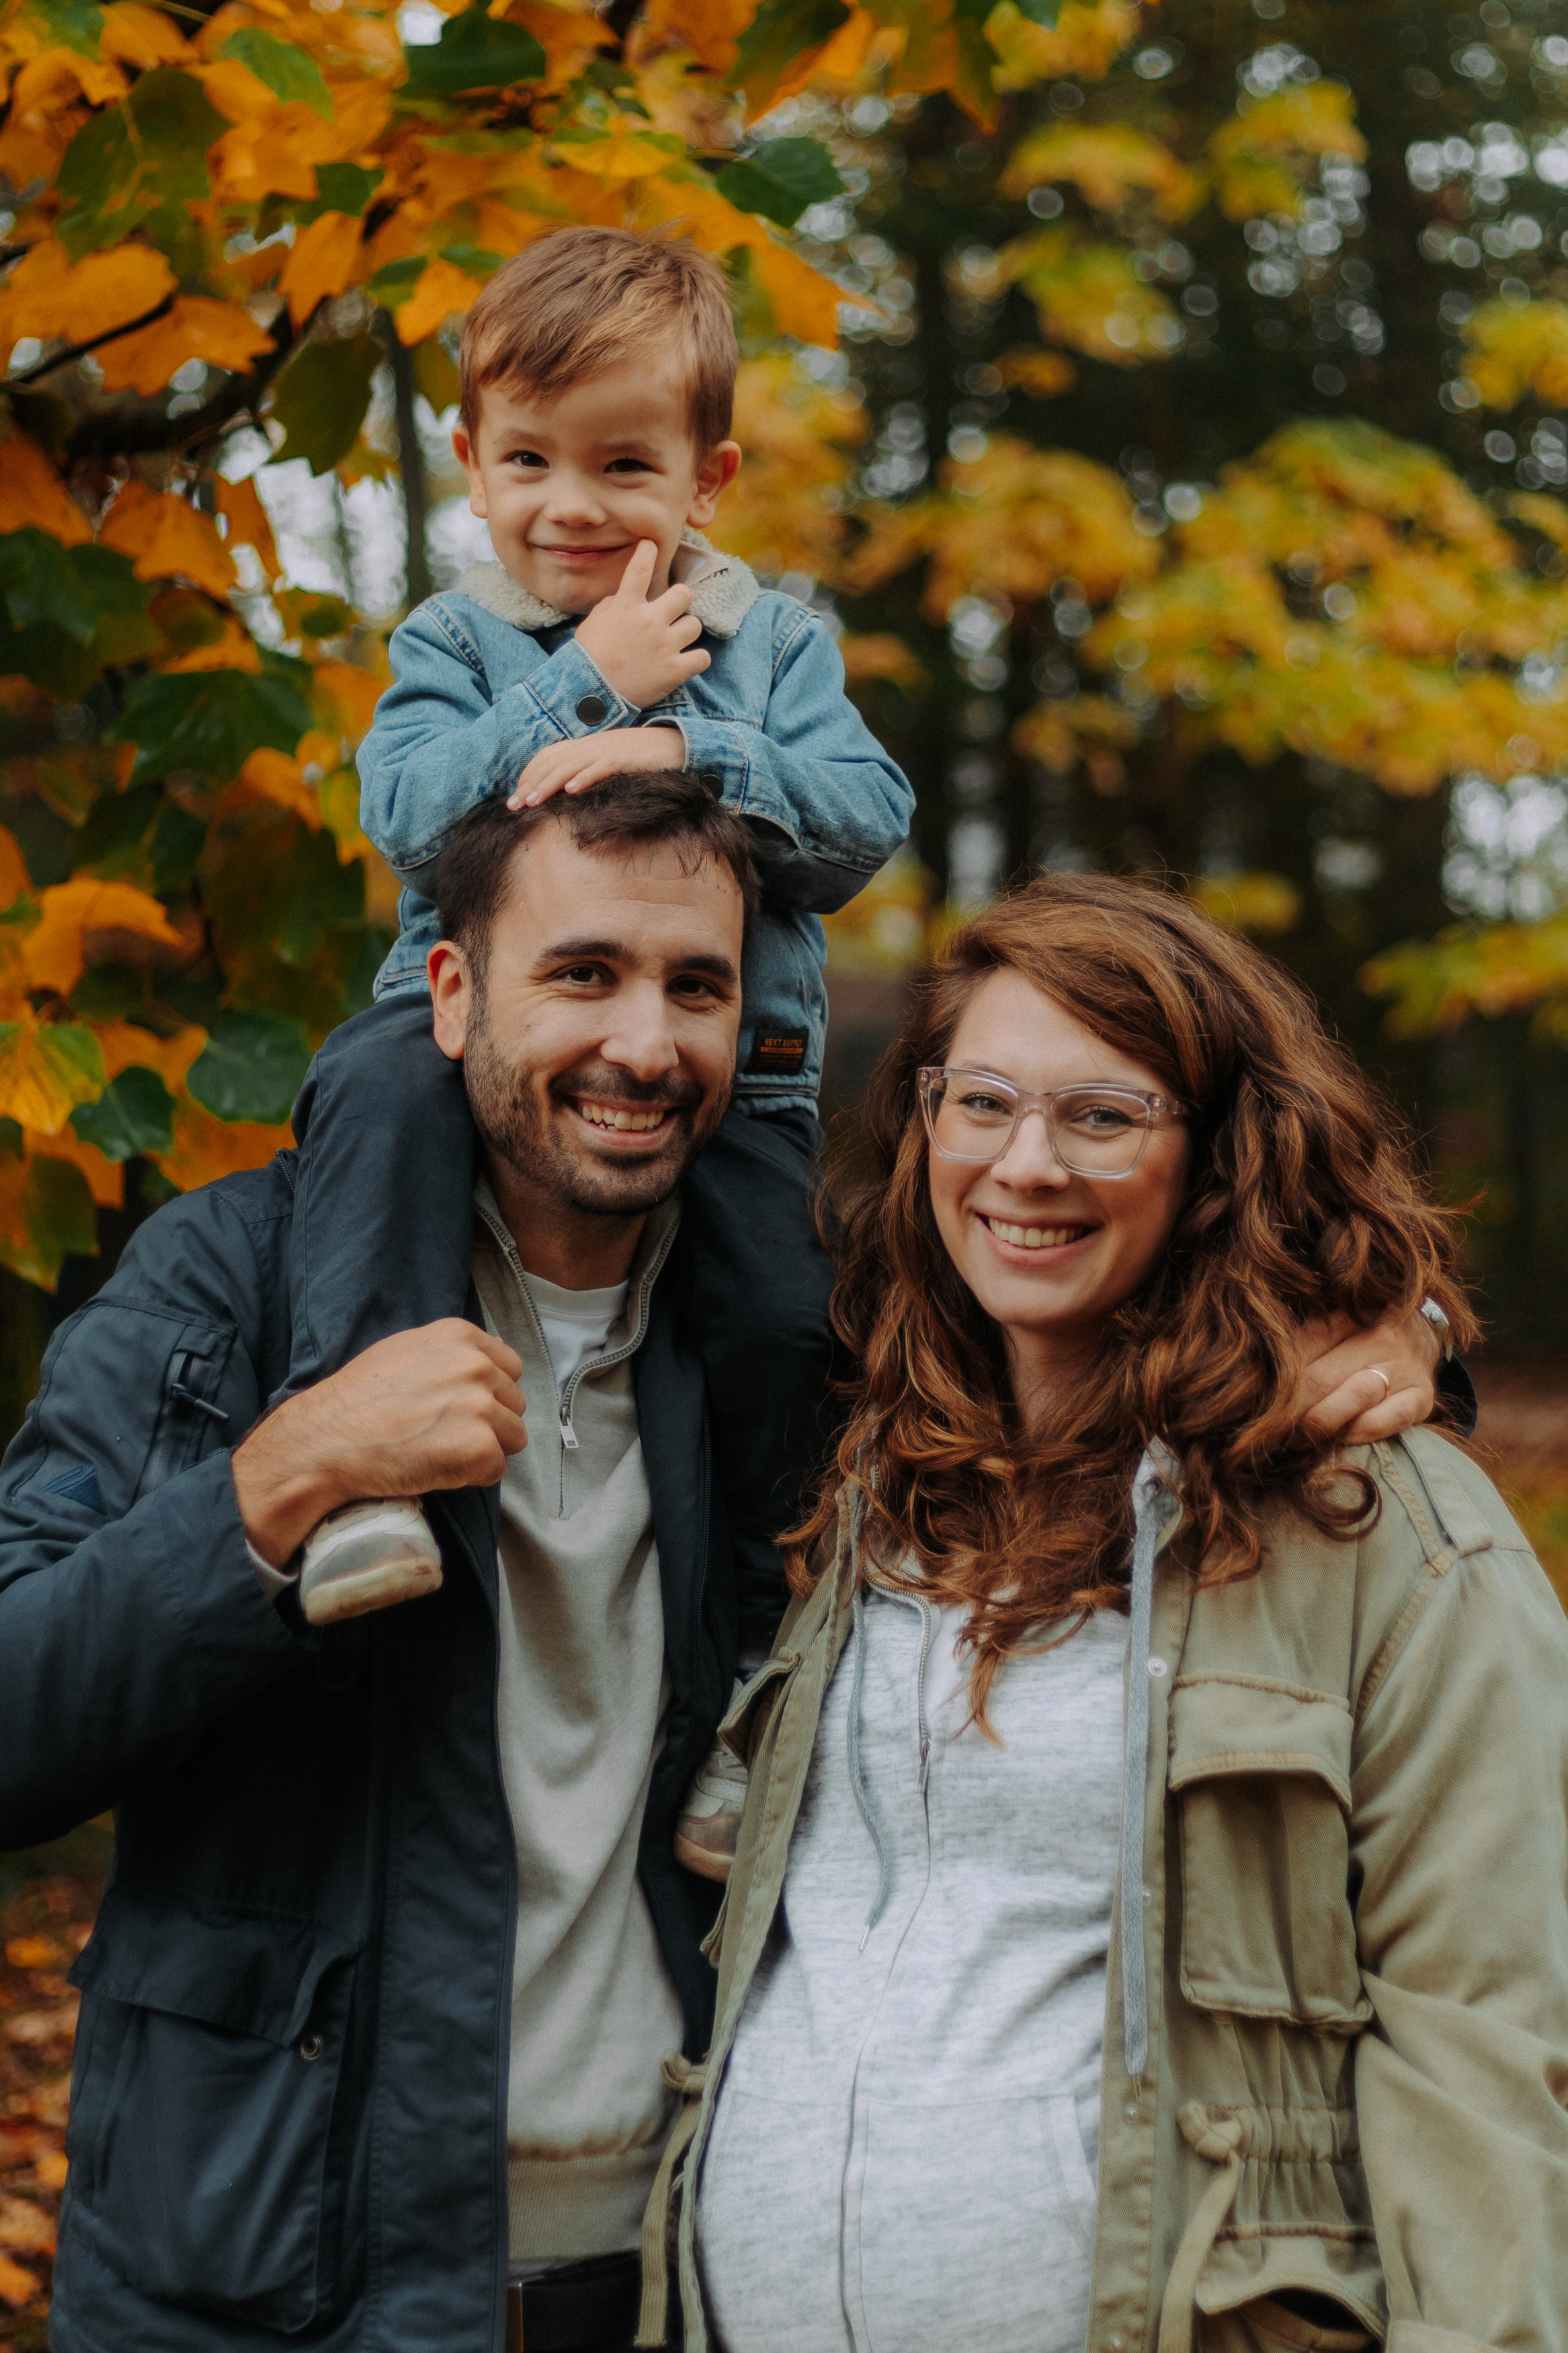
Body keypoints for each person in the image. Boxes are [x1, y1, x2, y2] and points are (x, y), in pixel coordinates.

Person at [642, 873, 1568, 2353]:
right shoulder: (874, 1478)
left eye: (1103, 1114)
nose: (1027, 1164)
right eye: (984, 1100)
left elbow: (1488, 2055)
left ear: (1217, 1158)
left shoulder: (1380, 1529)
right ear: (926, 1118)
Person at [0, 774, 771, 2353]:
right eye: (583, 973)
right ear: (450, 992)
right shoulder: (235, 1279)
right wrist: (276, 1484)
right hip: (264, 2284)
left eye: (697, 986)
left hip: (677, 2273)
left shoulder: (786, 1333)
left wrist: (1421, 1336)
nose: (645, 1043)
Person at [286, 227, 913, 1883]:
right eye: (528, 462)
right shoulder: (453, 641)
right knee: (357, 1133)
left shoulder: (769, 642)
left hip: (740, 1074)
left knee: (784, 1324)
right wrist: (579, 691)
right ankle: (360, 1485)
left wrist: (694, 741)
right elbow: (414, 818)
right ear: (476, 470)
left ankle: (764, 1692)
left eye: (623, 463)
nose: (572, 504)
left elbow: (867, 825)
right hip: (456, 1047)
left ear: (703, 476)